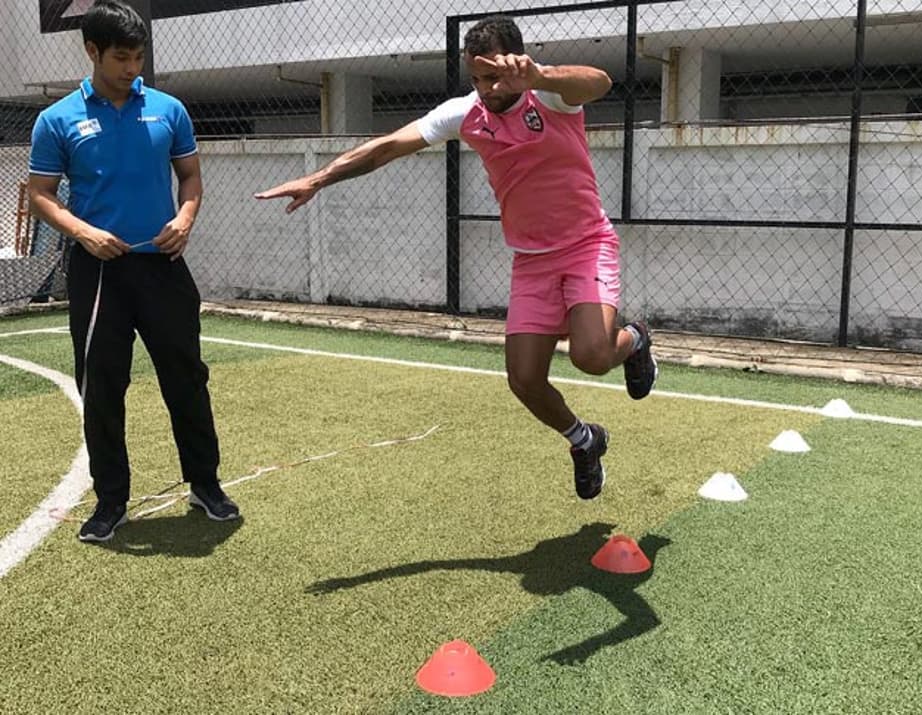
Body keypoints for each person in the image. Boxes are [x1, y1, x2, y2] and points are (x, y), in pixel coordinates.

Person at [255, 15, 657, 499]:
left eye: (494, 76)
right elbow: (386, 148)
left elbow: (601, 82)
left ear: (517, 61)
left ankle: (634, 340)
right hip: (530, 261)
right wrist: (318, 179)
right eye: (477, 78)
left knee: (592, 356)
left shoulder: (548, 94)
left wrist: (539, 76)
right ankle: (584, 439)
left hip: (585, 245)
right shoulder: (465, 113)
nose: (487, 88)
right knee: (525, 381)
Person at [28, 0, 239, 542]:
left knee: (187, 377)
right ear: (92, 51)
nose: (133, 68)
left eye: (139, 56)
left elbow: (190, 178)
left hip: (164, 267)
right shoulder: (57, 120)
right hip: (99, 273)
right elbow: (41, 196)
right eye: (122, 57)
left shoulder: (169, 110)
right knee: (102, 386)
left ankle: (205, 485)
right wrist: (83, 232)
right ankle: (111, 501)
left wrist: (186, 217)